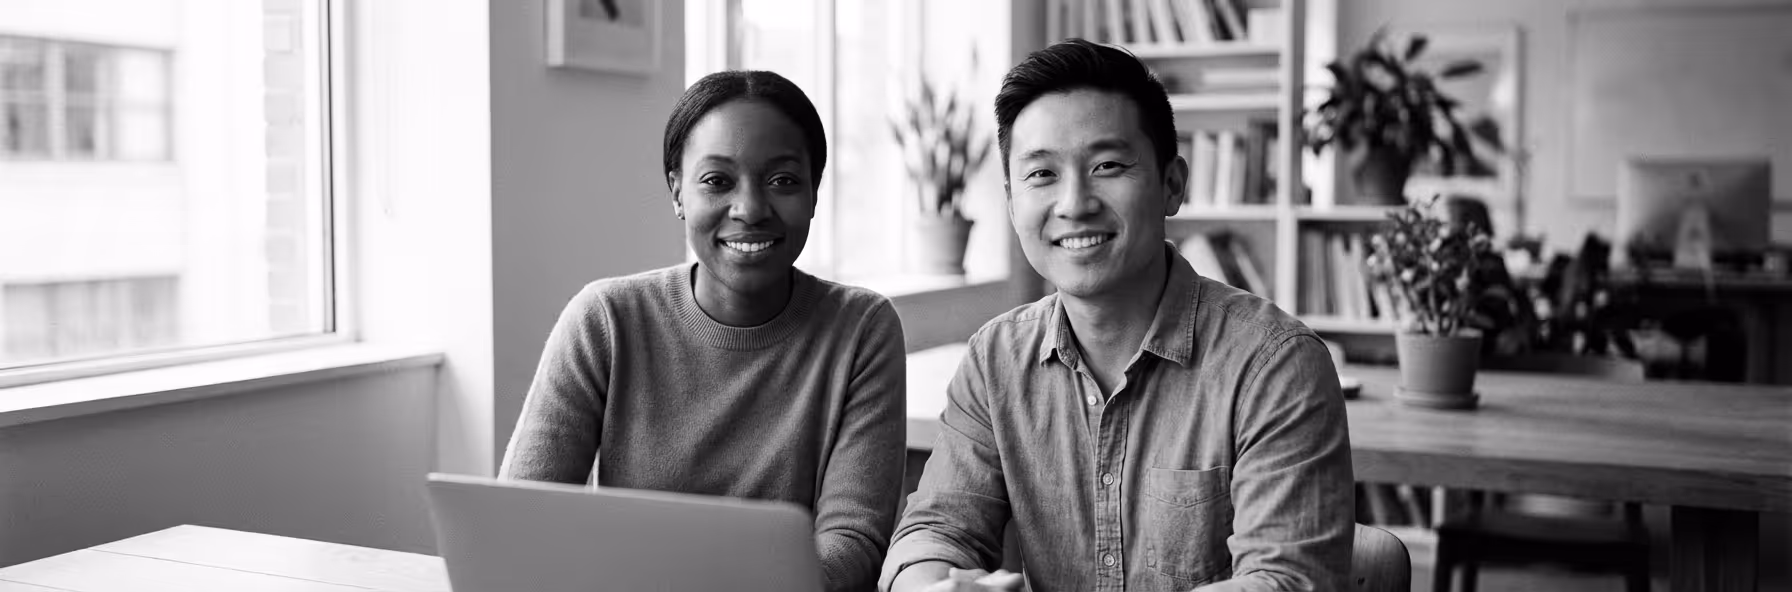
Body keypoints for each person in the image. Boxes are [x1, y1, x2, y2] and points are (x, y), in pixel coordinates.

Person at [882, 40, 1353, 592]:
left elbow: (1286, 581)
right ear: (1011, 204)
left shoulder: (1274, 365)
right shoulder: (995, 361)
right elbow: (935, 530)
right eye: (1042, 175)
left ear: (1172, 184)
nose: (1075, 202)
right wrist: (931, 583)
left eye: (1107, 165)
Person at [499, 70, 907, 592]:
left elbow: (852, 543)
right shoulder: (605, 320)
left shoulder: (861, 330)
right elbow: (524, 520)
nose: (751, 209)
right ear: (677, 193)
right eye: (717, 181)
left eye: (782, 180)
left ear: (813, 194)